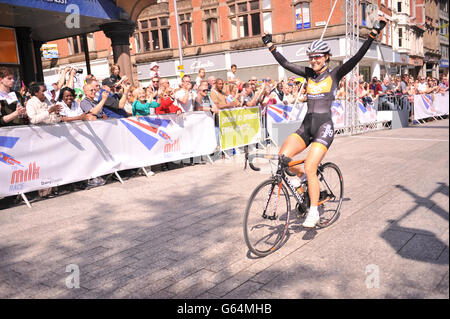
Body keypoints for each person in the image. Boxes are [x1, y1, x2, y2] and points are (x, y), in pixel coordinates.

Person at [262, 17, 387, 227]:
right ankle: (303, 180)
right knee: (282, 158)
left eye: (318, 57)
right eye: (311, 57)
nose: (314, 60)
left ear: (326, 57)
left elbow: (357, 56)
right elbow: (285, 63)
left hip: (324, 127)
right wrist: (270, 45)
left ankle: (314, 211)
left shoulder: (335, 73)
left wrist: (373, 33)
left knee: (310, 166)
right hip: (305, 126)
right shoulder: (308, 74)